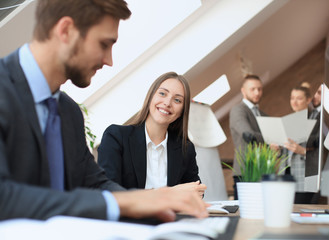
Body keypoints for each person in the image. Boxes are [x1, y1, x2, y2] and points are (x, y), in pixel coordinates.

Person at [0, 0, 208, 222]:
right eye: (104, 44)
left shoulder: (69, 111)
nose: (109, 61)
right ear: (66, 30)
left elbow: (94, 183)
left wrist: (156, 201)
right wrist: (132, 201)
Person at [98, 72, 206, 197]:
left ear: (182, 111)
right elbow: (109, 192)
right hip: (128, 216)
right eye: (162, 93)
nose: (167, 103)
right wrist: (170, 193)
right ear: (150, 96)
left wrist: (196, 192)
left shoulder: (185, 148)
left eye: (177, 100)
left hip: (172, 216)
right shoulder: (116, 137)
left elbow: (196, 191)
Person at [229, 74, 266, 199]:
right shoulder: (237, 110)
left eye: (259, 89)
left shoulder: (263, 115)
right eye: (253, 89)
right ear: (243, 91)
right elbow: (248, 135)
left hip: (264, 171)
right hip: (245, 171)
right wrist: (271, 140)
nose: (257, 92)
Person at [284, 85, 315, 203]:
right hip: (286, 176)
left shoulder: (315, 121)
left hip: (304, 177)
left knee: (300, 210)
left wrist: (302, 151)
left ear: (308, 100)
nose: (294, 102)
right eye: (292, 98)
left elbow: (323, 151)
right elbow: (284, 153)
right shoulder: (287, 121)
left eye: (299, 98)